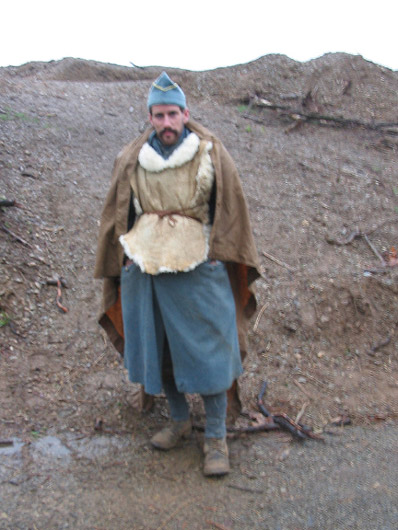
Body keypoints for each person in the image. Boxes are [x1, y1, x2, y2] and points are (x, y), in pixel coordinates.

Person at [94, 72, 260, 476]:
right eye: (158, 115)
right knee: (158, 348)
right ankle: (180, 421)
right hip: (146, 265)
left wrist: (221, 252)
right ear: (149, 117)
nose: (166, 123)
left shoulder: (209, 152)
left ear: (185, 113)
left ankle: (216, 438)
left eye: (172, 114)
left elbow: (229, 207)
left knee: (211, 352)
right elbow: (121, 210)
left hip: (199, 262)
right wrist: (126, 253)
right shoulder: (132, 157)